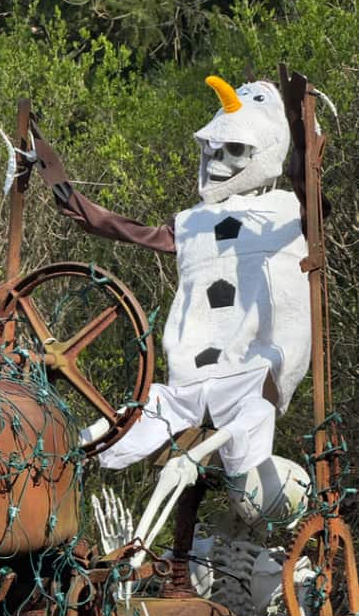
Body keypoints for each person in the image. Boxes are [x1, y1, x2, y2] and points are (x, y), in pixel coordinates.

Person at [32, 75, 314, 551]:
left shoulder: (288, 213)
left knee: (225, 436)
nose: (217, 162)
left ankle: (146, 549)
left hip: (253, 375)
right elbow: (128, 229)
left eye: (233, 150)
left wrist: (304, 139)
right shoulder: (193, 224)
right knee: (132, 418)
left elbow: (312, 197)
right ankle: (50, 467)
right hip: (191, 380)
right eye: (212, 150)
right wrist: (64, 191)